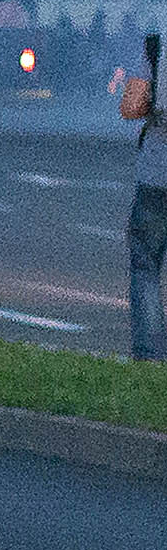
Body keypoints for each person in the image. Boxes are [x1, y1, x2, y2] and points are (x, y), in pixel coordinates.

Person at [117, 35, 164, 363]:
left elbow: (131, 106)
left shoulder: (157, 46)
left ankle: (150, 357)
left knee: (146, 266)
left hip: (157, 175)